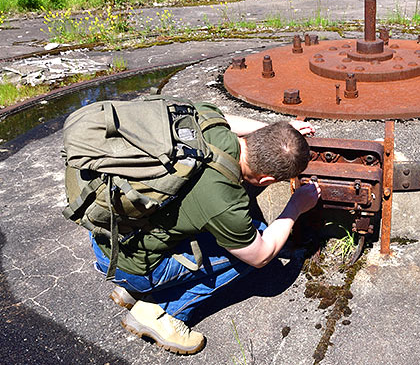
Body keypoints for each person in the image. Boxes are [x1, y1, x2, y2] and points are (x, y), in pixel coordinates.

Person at [89, 108, 321, 355]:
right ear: (266, 180)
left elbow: (223, 118)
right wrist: (296, 205)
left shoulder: (206, 124)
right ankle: (162, 312)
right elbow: (261, 254)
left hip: (107, 235)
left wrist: (278, 131)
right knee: (253, 244)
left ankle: (134, 289)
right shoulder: (225, 203)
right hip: (134, 267)